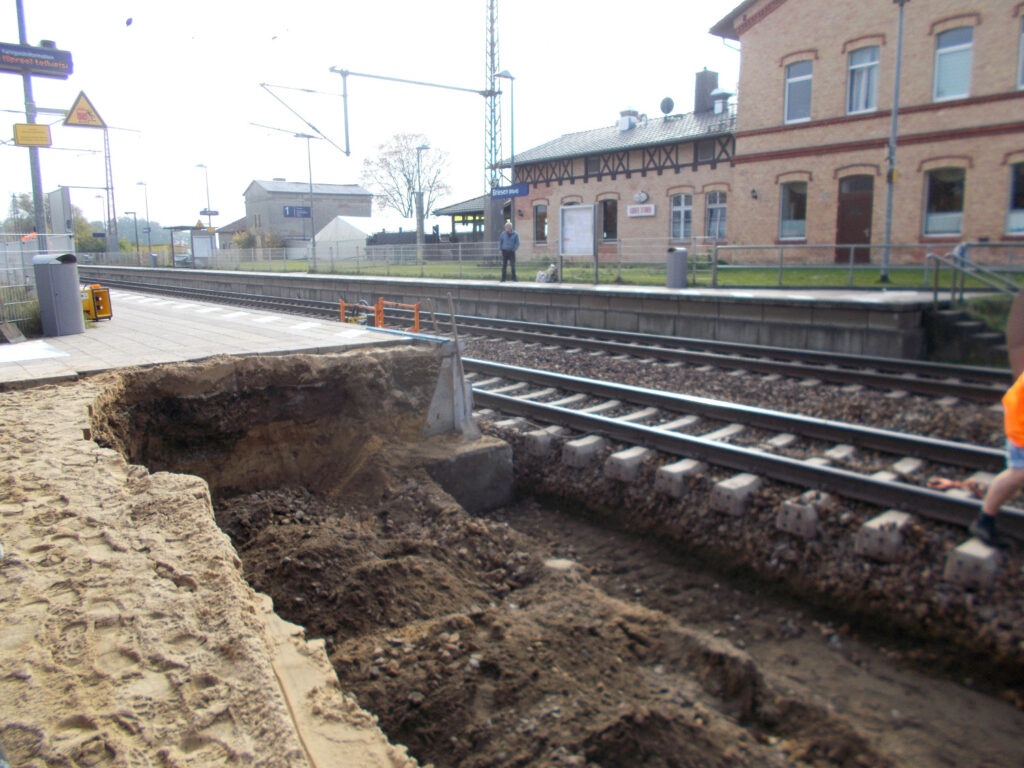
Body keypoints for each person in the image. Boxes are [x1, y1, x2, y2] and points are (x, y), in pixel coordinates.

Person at [970, 370, 1024, 548]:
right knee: (1019, 473)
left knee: (1018, 472)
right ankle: (984, 521)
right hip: (1021, 425)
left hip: (1018, 417)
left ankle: (984, 520)